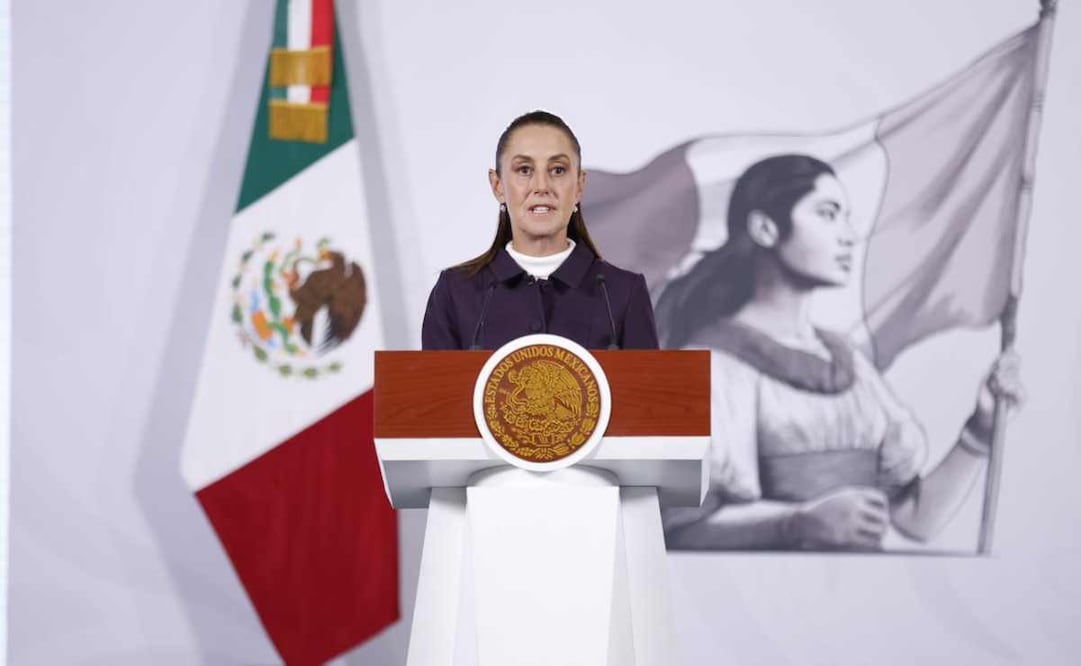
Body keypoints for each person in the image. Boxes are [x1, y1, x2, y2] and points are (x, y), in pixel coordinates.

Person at [656, 154, 1023, 551]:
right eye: (828, 214)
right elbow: (679, 528)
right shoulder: (706, 365)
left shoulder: (849, 362)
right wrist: (798, 523)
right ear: (765, 228)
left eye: (846, 217)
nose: (849, 235)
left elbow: (916, 520)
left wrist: (981, 429)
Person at [421, 110, 659, 351]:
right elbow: (433, 388)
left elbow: (651, 388)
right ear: (497, 185)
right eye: (524, 170)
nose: (541, 186)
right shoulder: (456, 292)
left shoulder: (623, 293)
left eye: (557, 170)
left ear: (579, 185)